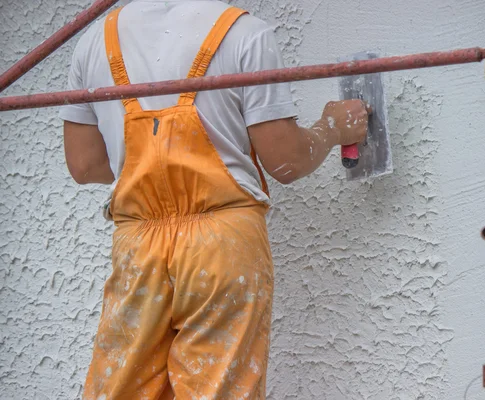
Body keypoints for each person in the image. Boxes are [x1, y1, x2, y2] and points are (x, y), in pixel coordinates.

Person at [59, 1, 369, 399]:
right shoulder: (245, 35)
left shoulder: (92, 42)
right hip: (221, 244)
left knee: (123, 389)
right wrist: (332, 127)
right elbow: (286, 161)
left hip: (137, 246)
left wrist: (148, 163)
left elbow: (85, 165)